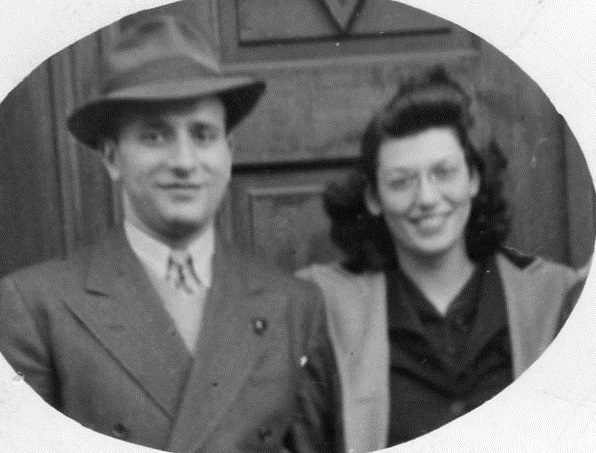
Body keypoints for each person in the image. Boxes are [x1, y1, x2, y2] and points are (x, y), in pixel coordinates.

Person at [0, 15, 342, 453]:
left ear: (228, 153)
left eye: (202, 135)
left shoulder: (295, 306)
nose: (183, 161)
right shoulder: (36, 307)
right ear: (112, 158)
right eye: (155, 136)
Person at [297, 67, 584, 452]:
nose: (427, 199)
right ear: (374, 198)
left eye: (444, 173)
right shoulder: (329, 307)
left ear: (473, 179)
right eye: (401, 181)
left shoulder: (554, 295)